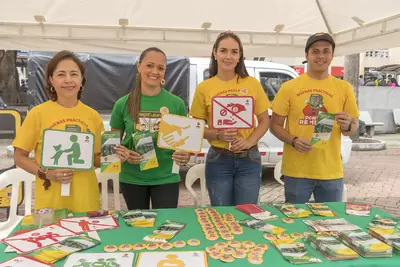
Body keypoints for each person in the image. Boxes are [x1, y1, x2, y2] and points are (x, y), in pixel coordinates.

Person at [270, 32, 359, 204]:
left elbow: (351, 130)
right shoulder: (289, 87)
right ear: (306, 55)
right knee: (295, 223)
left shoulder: (344, 88)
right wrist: (294, 140)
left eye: (326, 51)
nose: (321, 56)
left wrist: (348, 125)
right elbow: (275, 126)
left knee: (330, 224)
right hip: (296, 171)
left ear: (332, 55)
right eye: (315, 51)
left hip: (330, 171)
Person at [13, 50, 104, 213]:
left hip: (86, 201)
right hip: (50, 202)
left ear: (82, 79)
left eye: (74, 74)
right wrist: (47, 174)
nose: (68, 80)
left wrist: (116, 157)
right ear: (51, 80)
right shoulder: (37, 114)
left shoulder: (93, 116)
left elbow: (97, 159)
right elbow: (20, 157)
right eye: (61, 74)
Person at [190, 31, 270, 206]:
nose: (229, 56)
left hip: (249, 159)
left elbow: (264, 121)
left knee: (246, 212)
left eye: (234, 52)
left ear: (240, 55)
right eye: (223, 50)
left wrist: (249, 141)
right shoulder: (204, 88)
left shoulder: (251, 84)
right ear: (214, 53)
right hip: (219, 159)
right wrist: (217, 135)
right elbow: (195, 127)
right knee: (221, 215)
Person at [110, 47, 190, 210]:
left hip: (166, 177)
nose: (155, 71)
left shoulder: (176, 104)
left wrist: (185, 156)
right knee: (138, 227)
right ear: (139, 66)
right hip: (132, 178)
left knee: (166, 227)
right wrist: (124, 155)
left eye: (160, 68)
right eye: (149, 65)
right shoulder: (122, 104)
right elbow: (110, 148)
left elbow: (184, 146)